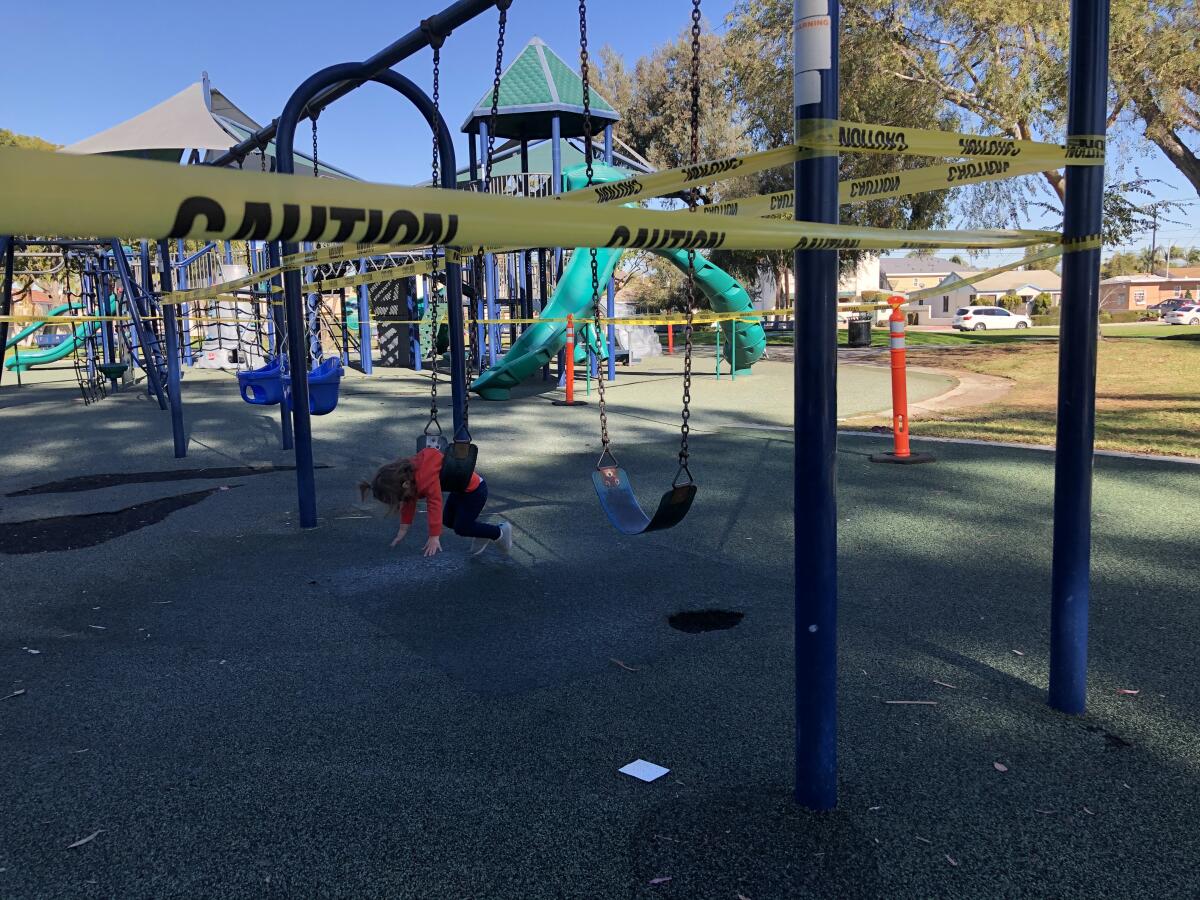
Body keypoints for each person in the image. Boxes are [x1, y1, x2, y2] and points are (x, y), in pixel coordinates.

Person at [359, 448, 512, 558]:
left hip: (476, 491)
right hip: (459, 491)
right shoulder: (409, 476)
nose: (401, 501)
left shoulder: (426, 478)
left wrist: (434, 536)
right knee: (448, 521)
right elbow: (409, 500)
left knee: (462, 527)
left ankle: (500, 532)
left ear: (405, 484)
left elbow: (434, 504)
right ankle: (482, 533)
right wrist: (403, 529)